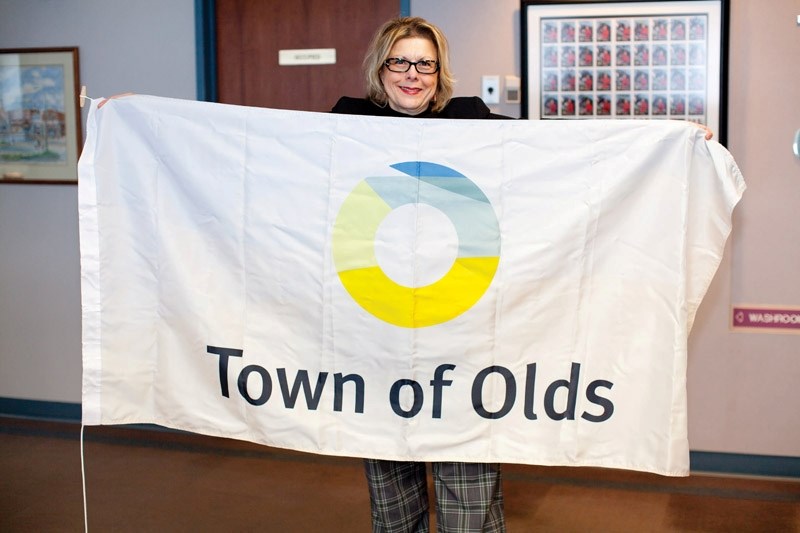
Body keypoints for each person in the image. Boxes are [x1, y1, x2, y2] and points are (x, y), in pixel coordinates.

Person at [331, 16, 509, 533]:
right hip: (379, 334)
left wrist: (665, 140)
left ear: (439, 71)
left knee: (469, 496)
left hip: (459, 334)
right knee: (393, 502)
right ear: (380, 67)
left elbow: (557, 150)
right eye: (400, 61)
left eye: (425, 64)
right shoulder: (348, 122)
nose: (413, 74)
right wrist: (139, 120)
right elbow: (262, 147)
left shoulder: (470, 119)